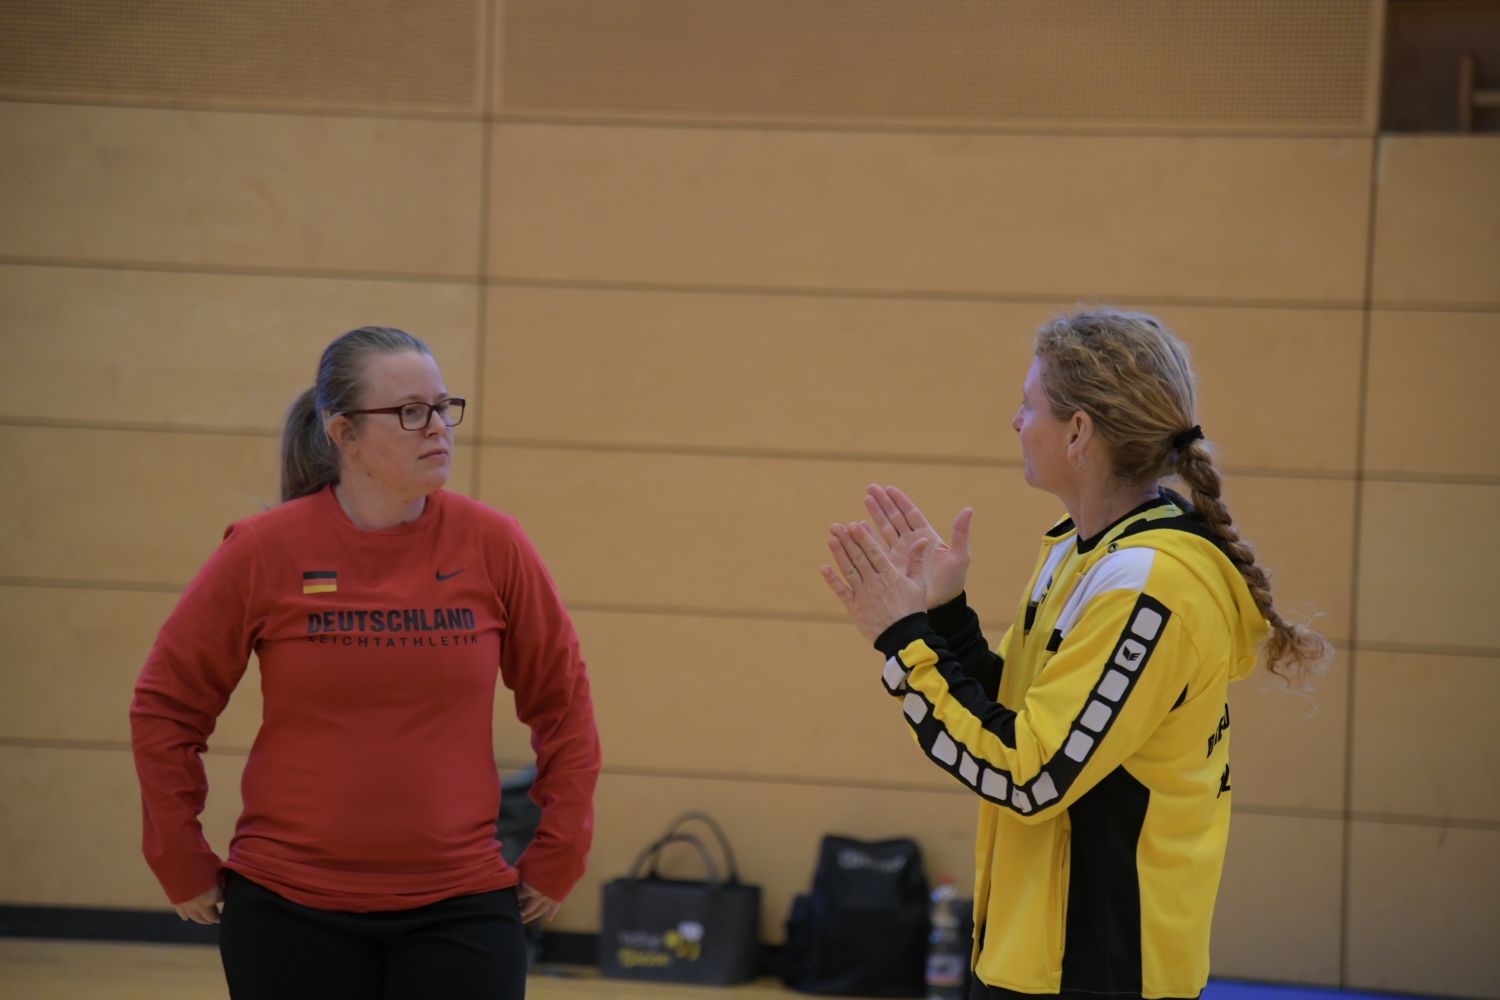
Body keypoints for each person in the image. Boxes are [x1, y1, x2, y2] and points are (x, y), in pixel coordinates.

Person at [819, 309, 1331, 999]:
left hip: (1101, 969)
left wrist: (902, 642)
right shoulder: (1078, 547)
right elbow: (1023, 717)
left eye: (1028, 404)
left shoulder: (1150, 585)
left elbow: (1028, 776)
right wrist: (945, 616)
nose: (1015, 422)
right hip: (1030, 953)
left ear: (1079, 431)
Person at [130, 326, 601, 1000]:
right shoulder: (262, 550)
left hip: (461, 904)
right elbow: (167, 706)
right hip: (289, 906)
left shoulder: (493, 544)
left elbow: (565, 704)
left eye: (442, 406)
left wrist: (561, 848)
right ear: (343, 433)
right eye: (410, 411)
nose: (436, 427)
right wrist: (177, 851)